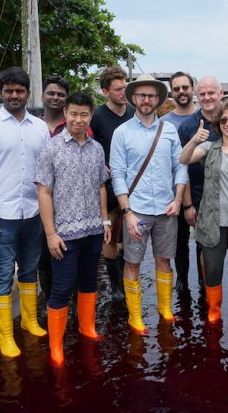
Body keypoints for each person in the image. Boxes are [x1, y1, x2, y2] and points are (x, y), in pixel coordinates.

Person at [0, 66, 49, 357]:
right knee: (3, 273)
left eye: (19, 90)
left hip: (33, 212)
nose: (14, 95)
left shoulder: (39, 127)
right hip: (1, 213)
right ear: (0, 93)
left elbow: (47, 169)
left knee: (29, 269)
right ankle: (5, 335)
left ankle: (29, 320)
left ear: (28, 94)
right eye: (8, 90)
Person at [35, 92, 111, 366]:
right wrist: (50, 233)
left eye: (84, 114)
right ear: (65, 113)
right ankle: (56, 345)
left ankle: (86, 328)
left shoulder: (96, 149)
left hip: (92, 230)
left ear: (91, 116)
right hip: (64, 233)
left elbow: (101, 185)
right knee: (62, 287)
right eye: (74, 113)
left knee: (89, 282)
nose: (79, 119)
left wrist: (105, 220)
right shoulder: (51, 148)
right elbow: (44, 192)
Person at [109, 74, 188, 334]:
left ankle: (165, 309)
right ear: (133, 98)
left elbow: (180, 166)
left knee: (164, 259)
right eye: (141, 95)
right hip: (137, 210)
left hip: (167, 209)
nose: (146, 100)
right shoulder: (122, 133)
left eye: (151, 95)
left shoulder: (169, 130)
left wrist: (178, 199)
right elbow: (117, 174)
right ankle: (135, 316)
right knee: (132, 262)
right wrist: (127, 212)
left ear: (158, 99)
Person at [179, 98, 228, 323]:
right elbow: (183, 159)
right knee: (212, 272)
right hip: (211, 222)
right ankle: (214, 313)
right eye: (224, 119)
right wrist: (195, 139)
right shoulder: (209, 147)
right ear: (218, 123)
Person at [90, 66, 135, 300]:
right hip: (107, 186)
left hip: (133, 185)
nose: (123, 92)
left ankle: (127, 281)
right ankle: (116, 287)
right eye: (118, 89)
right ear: (105, 91)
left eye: (124, 87)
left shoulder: (133, 113)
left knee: (129, 235)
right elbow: (89, 145)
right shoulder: (97, 116)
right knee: (110, 235)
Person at [162, 71, 200, 293]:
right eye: (176, 89)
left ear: (192, 88)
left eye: (185, 87)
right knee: (179, 241)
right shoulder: (164, 123)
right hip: (175, 191)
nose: (181, 92)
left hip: (204, 189)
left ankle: (206, 283)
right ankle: (182, 281)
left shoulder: (205, 116)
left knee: (206, 243)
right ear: (171, 92)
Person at [37, 75, 70, 303]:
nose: (55, 98)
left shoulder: (76, 126)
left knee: (69, 255)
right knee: (43, 257)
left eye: (60, 94)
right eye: (51, 93)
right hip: (37, 202)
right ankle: (50, 304)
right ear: (42, 96)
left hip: (69, 205)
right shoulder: (31, 126)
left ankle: (74, 306)